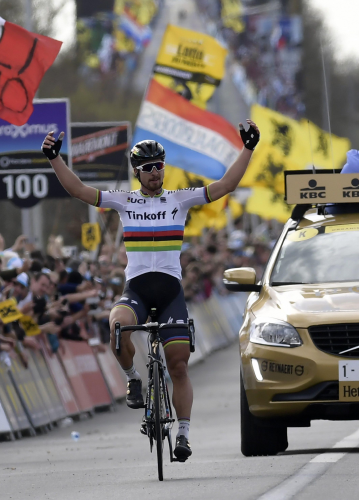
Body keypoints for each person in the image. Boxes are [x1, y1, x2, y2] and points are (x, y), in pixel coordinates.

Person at [42, 119, 260, 462]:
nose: (155, 173)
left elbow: (227, 184)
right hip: (138, 291)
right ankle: (132, 379)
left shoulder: (181, 199)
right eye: (147, 168)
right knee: (117, 326)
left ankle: (184, 434)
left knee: (179, 368)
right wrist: (56, 159)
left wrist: (248, 147)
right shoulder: (124, 201)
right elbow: (79, 190)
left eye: (159, 166)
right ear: (136, 173)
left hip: (170, 292)